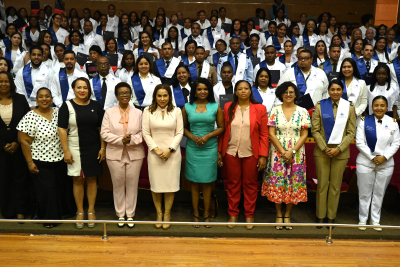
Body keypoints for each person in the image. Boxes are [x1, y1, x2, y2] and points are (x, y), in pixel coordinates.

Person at [218, 80, 268, 229]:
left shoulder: (260, 108)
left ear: (250, 91)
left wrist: (263, 155)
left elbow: (264, 134)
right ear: (235, 92)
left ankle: (249, 215)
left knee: (250, 185)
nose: (243, 91)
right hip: (231, 152)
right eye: (240, 89)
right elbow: (223, 131)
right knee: (233, 184)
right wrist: (220, 152)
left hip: (251, 153)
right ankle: (233, 213)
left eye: (246, 88)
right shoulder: (228, 107)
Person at [58, 77, 105, 229]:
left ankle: (91, 210)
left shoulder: (97, 105)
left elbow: (101, 129)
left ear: (89, 89)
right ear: (73, 89)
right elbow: (62, 129)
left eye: (85, 87)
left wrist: (103, 147)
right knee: (77, 180)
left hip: (93, 148)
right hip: (74, 147)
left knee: (91, 180)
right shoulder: (66, 106)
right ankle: (80, 211)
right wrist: (66, 151)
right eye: (79, 87)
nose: (82, 90)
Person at [262, 81, 310, 230]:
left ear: (295, 94)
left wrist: (292, 152)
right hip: (277, 152)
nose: (288, 95)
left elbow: (304, 135)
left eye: (291, 92)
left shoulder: (303, 111)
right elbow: (271, 133)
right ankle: (278, 214)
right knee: (278, 182)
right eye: (285, 92)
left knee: (292, 183)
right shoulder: (274, 111)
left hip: (296, 152)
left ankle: (287, 214)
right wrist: (283, 152)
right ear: (280, 94)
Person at [17, 87, 66, 228]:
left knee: (57, 190)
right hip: (40, 161)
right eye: (41, 97)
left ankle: (56, 215)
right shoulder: (30, 116)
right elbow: (23, 141)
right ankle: (49, 220)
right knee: (47, 192)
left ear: (51, 98)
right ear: (36, 99)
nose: (44, 99)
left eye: (47, 96)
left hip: (60, 160)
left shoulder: (58, 112)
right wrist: (29, 162)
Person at [311, 79, 356, 228]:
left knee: (335, 186)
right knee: (322, 185)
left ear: (342, 91)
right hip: (322, 151)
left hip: (340, 153)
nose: (335, 92)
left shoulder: (348, 107)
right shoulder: (320, 106)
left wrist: (339, 148)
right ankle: (320, 216)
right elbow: (315, 130)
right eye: (332, 89)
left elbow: (351, 132)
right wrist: (324, 148)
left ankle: (331, 216)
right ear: (328, 91)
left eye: (338, 89)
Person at [101, 82, 145, 228]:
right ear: (116, 96)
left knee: (132, 185)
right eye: (121, 93)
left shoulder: (139, 113)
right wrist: (121, 140)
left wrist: (131, 140)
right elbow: (104, 133)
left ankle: (130, 214)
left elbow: (143, 133)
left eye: (127, 92)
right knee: (118, 185)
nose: (124, 95)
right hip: (114, 154)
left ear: (130, 94)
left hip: (135, 153)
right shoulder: (109, 112)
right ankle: (120, 214)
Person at [182, 78, 224, 228]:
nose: (202, 92)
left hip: (210, 147)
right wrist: (192, 136)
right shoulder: (187, 106)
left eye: (205, 89)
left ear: (209, 91)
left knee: (207, 183)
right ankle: (195, 213)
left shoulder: (215, 106)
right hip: (193, 147)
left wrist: (207, 136)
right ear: (195, 91)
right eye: (199, 89)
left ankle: (206, 213)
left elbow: (221, 128)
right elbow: (183, 128)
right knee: (194, 182)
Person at [142, 84, 184, 230]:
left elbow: (179, 132)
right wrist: (156, 149)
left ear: (169, 96)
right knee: (156, 185)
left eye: (165, 95)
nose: (162, 99)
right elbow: (146, 133)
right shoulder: (147, 111)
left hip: (172, 154)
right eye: (159, 96)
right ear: (155, 97)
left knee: (170, 186)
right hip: (155, 154)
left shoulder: (176, 111)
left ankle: (167, 214)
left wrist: (170, 150)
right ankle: (158, 213)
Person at [356, 96, 400, 231]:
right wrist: (371, 157)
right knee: (364, 192)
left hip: (385, 163)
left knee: (379, 192)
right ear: (371, 106)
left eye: (382, 105)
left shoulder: (393, 122)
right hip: (365, 161)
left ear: (387, 107)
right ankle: (362, 219)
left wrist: (384, 157)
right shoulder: (364, 121)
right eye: (376, 105)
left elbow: (396, 143)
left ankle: (375, 220)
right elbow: (359, 142)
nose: (379, 108)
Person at [0, 71, 30, 220]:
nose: (3, 84)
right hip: (1, 149)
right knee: (3, 179)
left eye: (6, 81)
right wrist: (3, 145)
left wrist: (18, 143)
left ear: (11, 83)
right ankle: (7, 211)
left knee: (20, 179)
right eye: (0, 81)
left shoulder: (20, 99)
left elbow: (27, 123)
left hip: (19, 147)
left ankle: (21, 210)